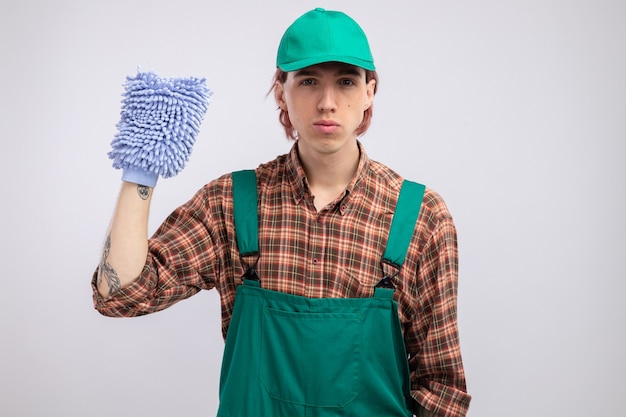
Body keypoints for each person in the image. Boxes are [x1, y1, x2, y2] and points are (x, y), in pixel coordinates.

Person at [93, 8, 471, 417]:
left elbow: (441, 391)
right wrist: (141, 168)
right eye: (308, 81)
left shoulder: (420, 217)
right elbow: (123, 297)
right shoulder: (231, 204)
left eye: (345, 81)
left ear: (369, 93)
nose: (327, 103)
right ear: (281, 93)